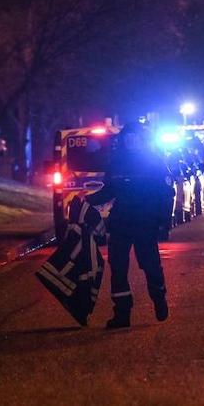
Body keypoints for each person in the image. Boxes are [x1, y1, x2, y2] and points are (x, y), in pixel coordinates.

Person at [86, 122, 174, 329]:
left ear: (141, 139)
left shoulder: (154, 162)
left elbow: (166, 194)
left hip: (146, 221)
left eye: (134, 137)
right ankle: (122, 313)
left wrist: (164, 223)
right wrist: (87, 201)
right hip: (121, 221)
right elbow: (109, 191)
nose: (130, 141)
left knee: (150, 264)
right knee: (117, 266)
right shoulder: (116, 163)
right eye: (127, 137)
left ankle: (158, 298)